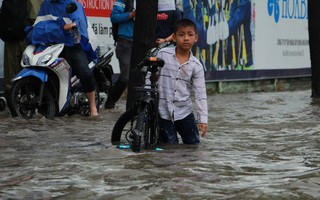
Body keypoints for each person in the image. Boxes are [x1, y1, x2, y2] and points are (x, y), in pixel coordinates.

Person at [29, 0, 98, 116]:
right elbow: (39, 23)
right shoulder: (46, 4)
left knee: (84, 72)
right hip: (52, 44)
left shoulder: (72, 4)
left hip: (72, 43)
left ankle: (93, 106)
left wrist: (73, 25)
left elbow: (79, 20)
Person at [156, 18, 208, 145]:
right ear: (174, 37)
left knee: (193, 147)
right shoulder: (163, 54)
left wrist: (203, 119)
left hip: (184, 111)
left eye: (190, 35)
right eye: (181, 34)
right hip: (163, 111)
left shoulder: (196, 66)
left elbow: (200, 94)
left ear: (195, 38)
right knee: (169, 149)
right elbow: (150, 76)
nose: (186, 38)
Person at [3, 0, 42, 95]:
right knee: (32, 71)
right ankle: (34, 101)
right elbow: (35, 16)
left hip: (10, 34)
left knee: (11, 76)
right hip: (27, 35)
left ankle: (13, 103)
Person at [104, 0, 135, 109]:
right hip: (125, 42)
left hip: (143, 43)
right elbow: (114, 17)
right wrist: (131, 15)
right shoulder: (123, 1)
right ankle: (109, 103)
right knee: (125, 78)